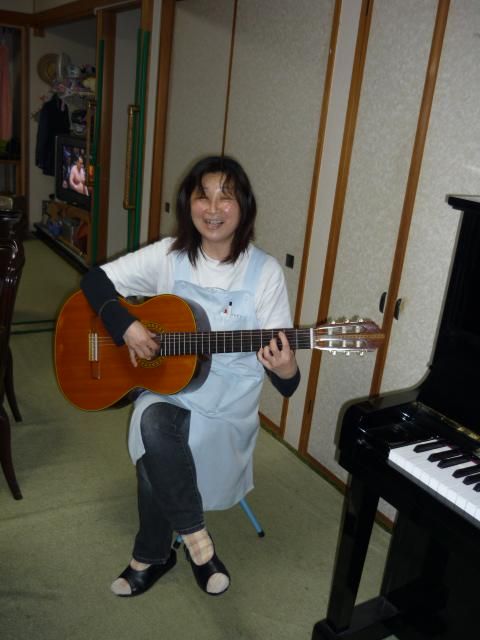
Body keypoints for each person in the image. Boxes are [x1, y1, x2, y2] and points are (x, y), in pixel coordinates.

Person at [80, 155, 300, 598]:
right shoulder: (169, 255)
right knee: (153, 421)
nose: (213, 208)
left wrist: (286, 368)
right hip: (171, 386)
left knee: (155, 445)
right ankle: (198, 543)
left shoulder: (265, 273)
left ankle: (152, 555)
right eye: (204, 196)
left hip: (229, 403)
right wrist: (125, 325)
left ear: (244, 207)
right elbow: (95, 281)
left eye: (226, 197)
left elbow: (288, 383)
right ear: (188, 204)